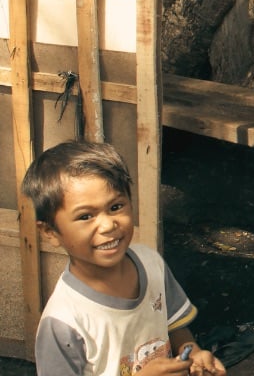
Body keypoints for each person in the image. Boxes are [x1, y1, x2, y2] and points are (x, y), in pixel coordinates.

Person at [22, 140, 226, 376]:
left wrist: (193, 355)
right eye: (85, 216)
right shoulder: (63, 323)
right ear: (50, 232)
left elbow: (175, 327)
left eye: (116, 206)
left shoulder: (151, 264)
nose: (108, 225)